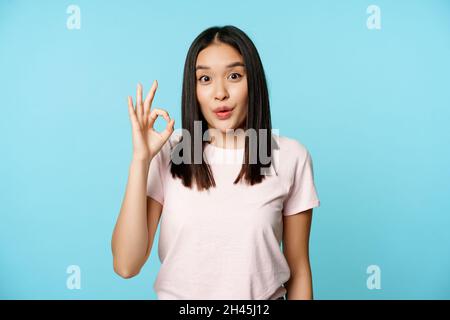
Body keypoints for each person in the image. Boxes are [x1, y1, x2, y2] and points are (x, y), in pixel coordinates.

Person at [111, 25, 320, 300]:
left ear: (252, 81)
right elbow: (126, 265)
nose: (220, 92)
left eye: (234, 76)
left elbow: (299, 270)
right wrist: (140, 160)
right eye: (205, 79)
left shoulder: (288, 155)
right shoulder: (176, 150)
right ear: (193, 88)